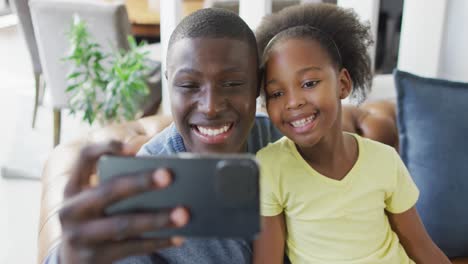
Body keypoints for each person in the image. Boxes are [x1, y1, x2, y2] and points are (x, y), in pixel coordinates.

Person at [45, 8, 281, 264]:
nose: (210, 107)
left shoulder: (283, 141)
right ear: (169, 86)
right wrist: (68, 258)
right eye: (189, 85)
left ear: (257, 85)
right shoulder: (147, 189)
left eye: (233, 84)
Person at [253, 4, 450, 264]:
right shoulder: (270, 166)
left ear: (343, 84)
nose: (293, 102)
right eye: (277, 93)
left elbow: (422, 247)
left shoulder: (384, 160)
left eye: (309, 83)